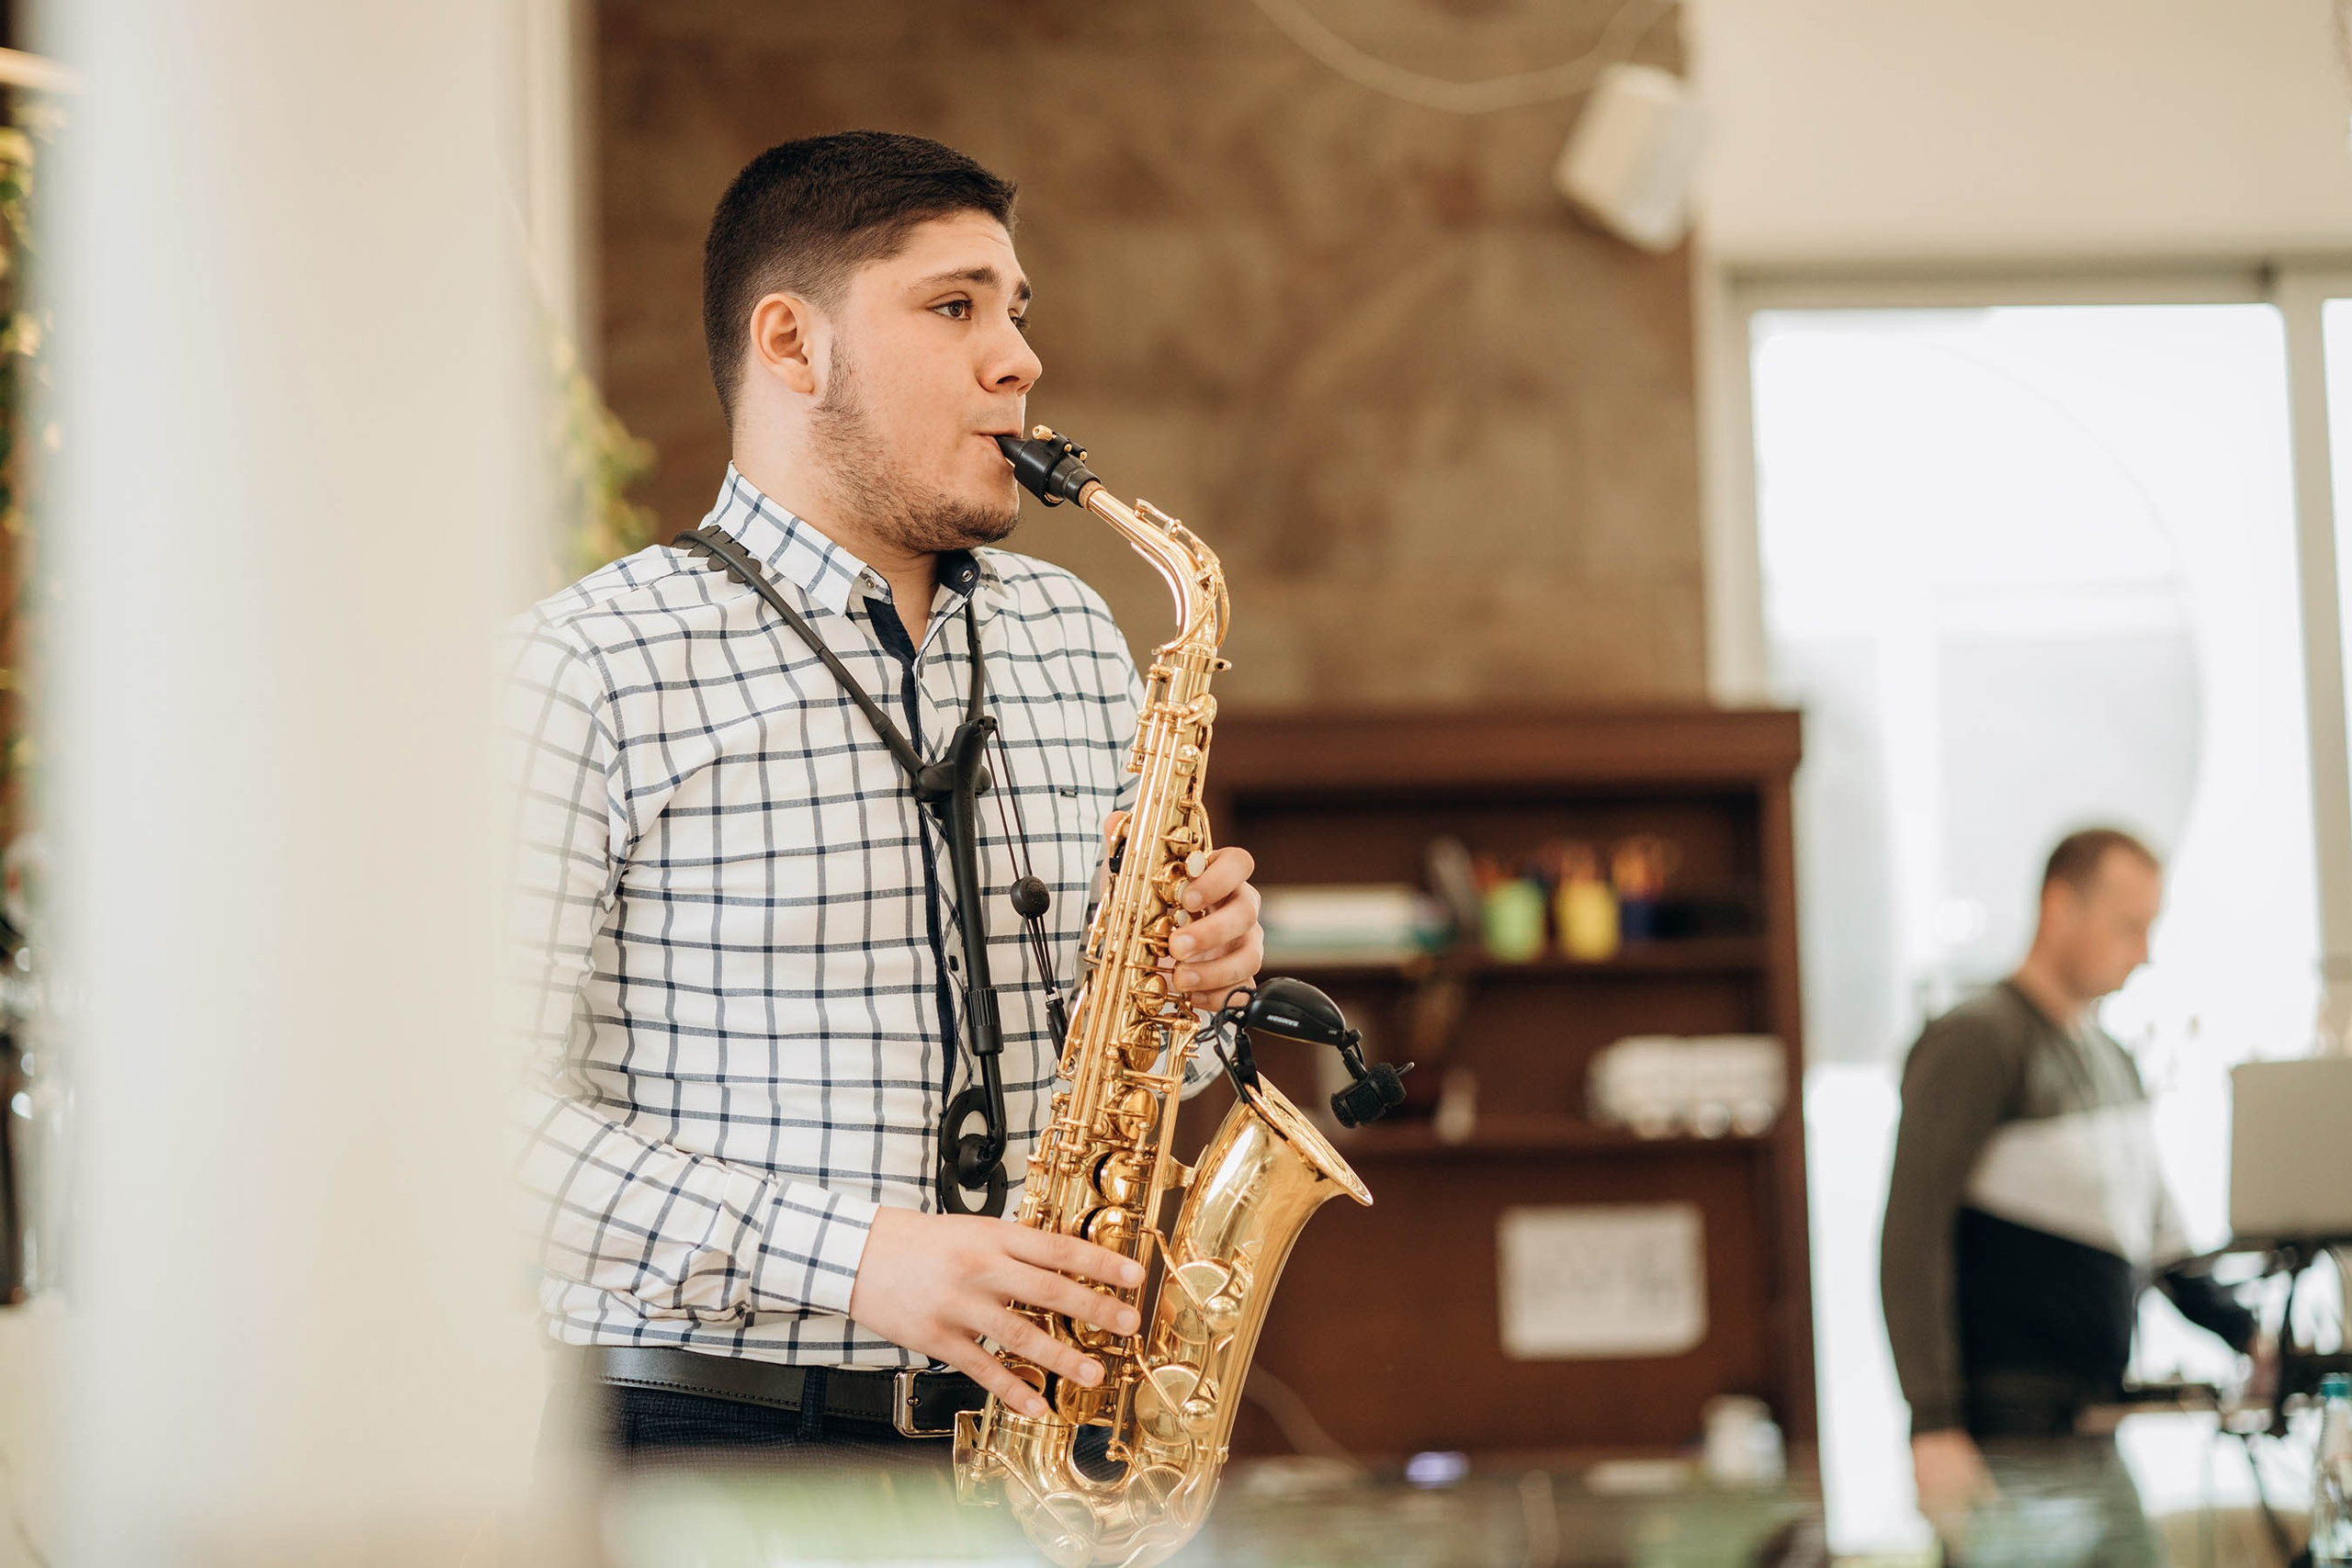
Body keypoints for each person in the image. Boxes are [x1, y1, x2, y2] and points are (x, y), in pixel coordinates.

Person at [503, 131, 1265, 1465]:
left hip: (1047, 1436)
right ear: (792, 345)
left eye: (1017, 311)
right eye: (954, 304)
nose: (1019, 358)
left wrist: (1202, 980)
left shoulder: (1077, 633)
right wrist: (856, 1258)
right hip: (715, 1439)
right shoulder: (585, 665)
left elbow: (1162, 1056)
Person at [1880, 828, 2268, 1544]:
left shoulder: (2114, 1060)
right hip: (2008, 1447)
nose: (2144, 951)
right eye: (2129, 926)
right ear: (2060, 906)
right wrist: (1931, 1420)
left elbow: (2161, 1243)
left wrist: (2251, 1336)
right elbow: (1912, 1233)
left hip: (2098, 1432)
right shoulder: (1977, 1040)